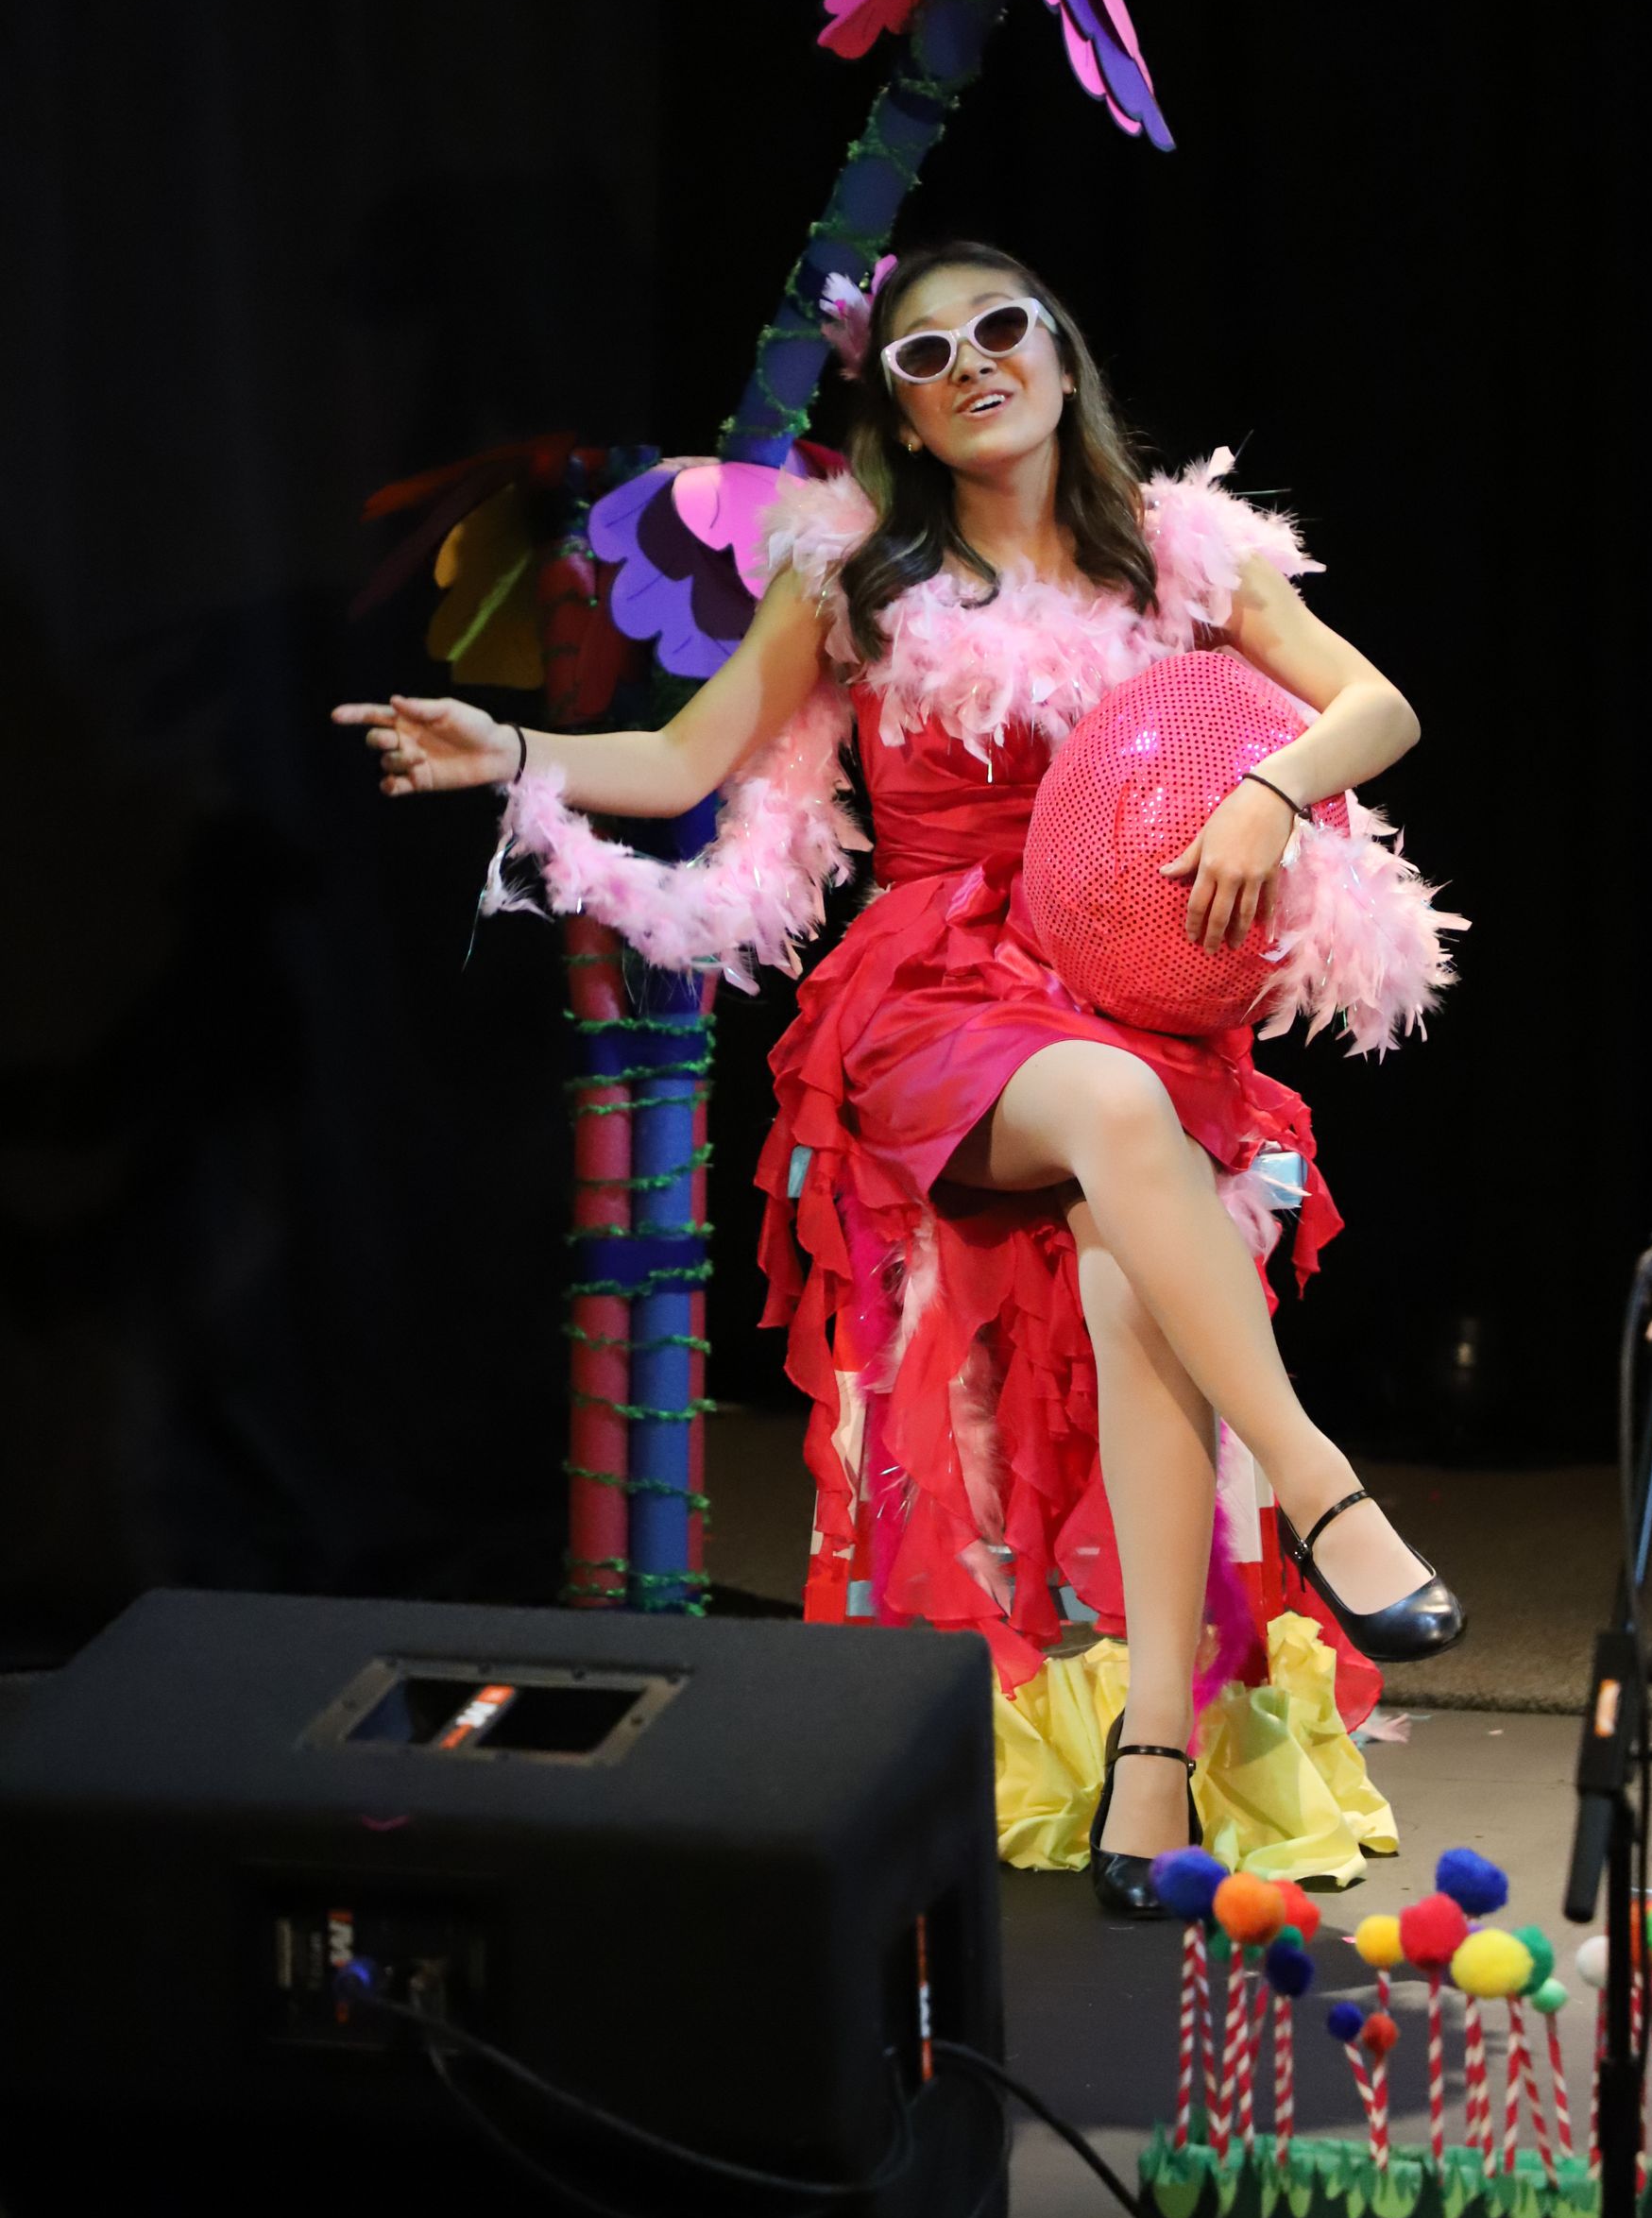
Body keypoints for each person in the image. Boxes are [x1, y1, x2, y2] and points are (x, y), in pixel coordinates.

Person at [334, 240, 1463, 1913]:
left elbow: (1379, 706)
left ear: (1062, 362)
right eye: (926, 355)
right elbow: (684, 757)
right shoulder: (850, 581)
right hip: (943, 998)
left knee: (1123, 1264)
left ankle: (1151, 1752)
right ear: (908, 419)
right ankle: (1322, 1487)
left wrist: (1271, 791)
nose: (971, 365)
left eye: (1001, 331)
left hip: (1140, 988)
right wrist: (501, 749)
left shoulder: (1184, 557)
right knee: (1117, 1120)